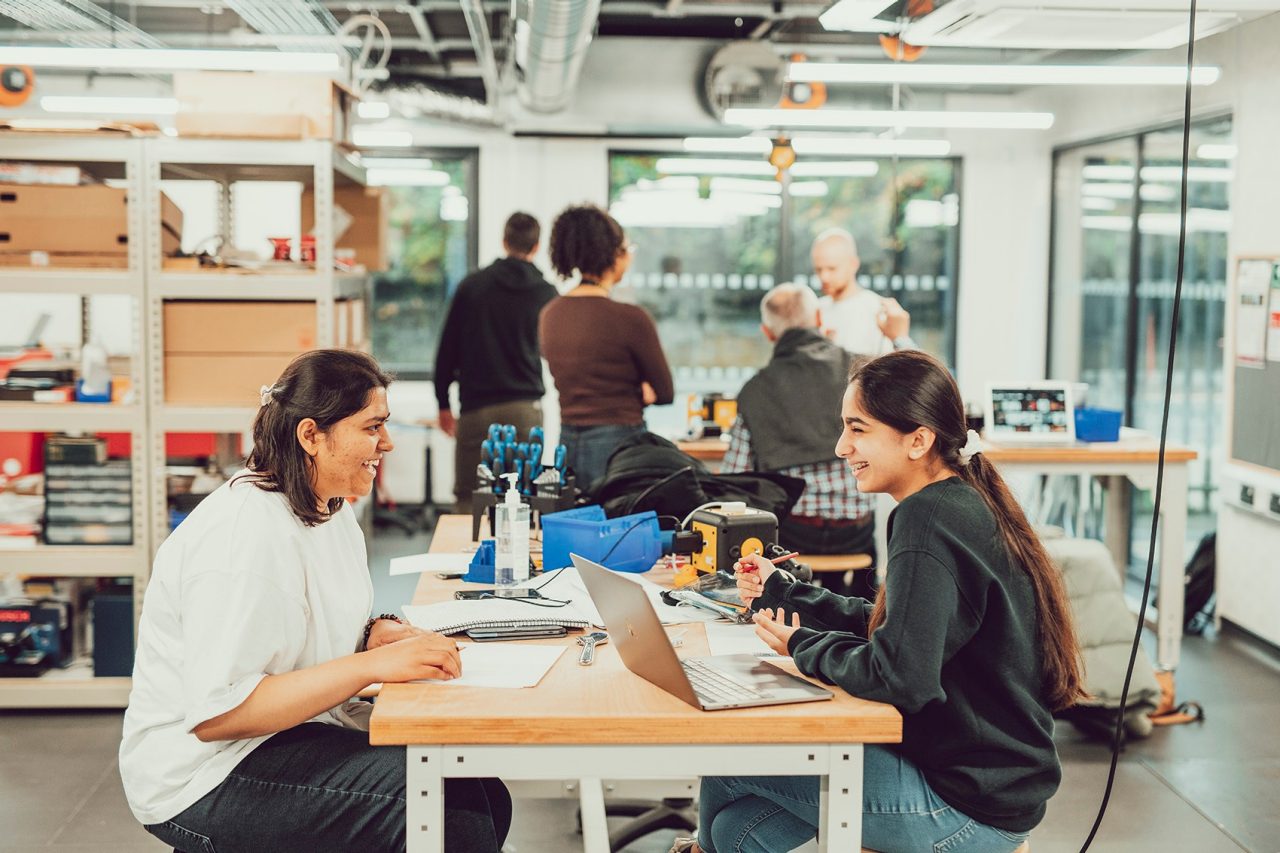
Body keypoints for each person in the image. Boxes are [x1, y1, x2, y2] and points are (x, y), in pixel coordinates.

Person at [675, 350, 1085, 853]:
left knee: (731, 764)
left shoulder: (927, 518)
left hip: (964, 808)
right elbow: (903, 630)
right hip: (986, 784)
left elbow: (901, 677)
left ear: (918, 440)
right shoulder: (957, 501)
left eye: (858, 429)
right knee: (732, 831)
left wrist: (804, 644)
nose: (841, 446)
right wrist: (787, 593)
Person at [120, 349, 511, 853]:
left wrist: (372, 633)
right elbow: (220, 715)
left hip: (279, 738)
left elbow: (299, 620)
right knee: (445, 810)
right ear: (311, 435)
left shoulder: (328, 507)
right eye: (372, 428)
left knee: (481, 792)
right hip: (203, 774)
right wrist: (372, 665)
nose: (387, 443)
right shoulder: (243, 537)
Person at [721, 283, 875, 592]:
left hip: (793, 535)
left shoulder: (756, 390)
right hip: (854, 532)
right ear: (819, 317)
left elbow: (734, 478)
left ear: (767, 333)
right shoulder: (862, 373)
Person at [540, 203, 674, 489]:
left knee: (575, 528)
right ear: (614, 254)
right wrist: (640, 389)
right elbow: (664, 392)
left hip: (567, 444)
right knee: (621, 531)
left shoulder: (550, 314)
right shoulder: (630, 318)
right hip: (621, 446)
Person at [435, 211, 558, 511]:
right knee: (525, 496)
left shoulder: (472, 286)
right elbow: (552, 351)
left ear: (504, 241)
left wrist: (442, 402)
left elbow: (447, 348)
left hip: (477, 409)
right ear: (536, 246)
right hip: (525, 410)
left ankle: (465, 556)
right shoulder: (546, 293)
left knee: (469, 498)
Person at [810, 227, 915, 356]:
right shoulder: (814, 311)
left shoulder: (877, 310)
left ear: (853, 264)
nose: (824, 277)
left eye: (832, 269)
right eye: (818, 269)